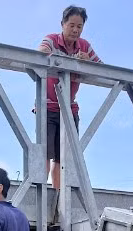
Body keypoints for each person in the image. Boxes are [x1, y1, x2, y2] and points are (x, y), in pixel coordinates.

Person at [38, 5, 102, 193]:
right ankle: (41, 191)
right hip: (47, 105)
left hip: (69, 109)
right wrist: (62, 59)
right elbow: (39, 54)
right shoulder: (52, 39)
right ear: (63, 24)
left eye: (79, 26)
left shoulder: (84, 46)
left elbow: (103, 69)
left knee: (62, 157)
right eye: (71, 25)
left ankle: (59, 194)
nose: (75, 30)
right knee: (44, 153)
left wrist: (87, 63)